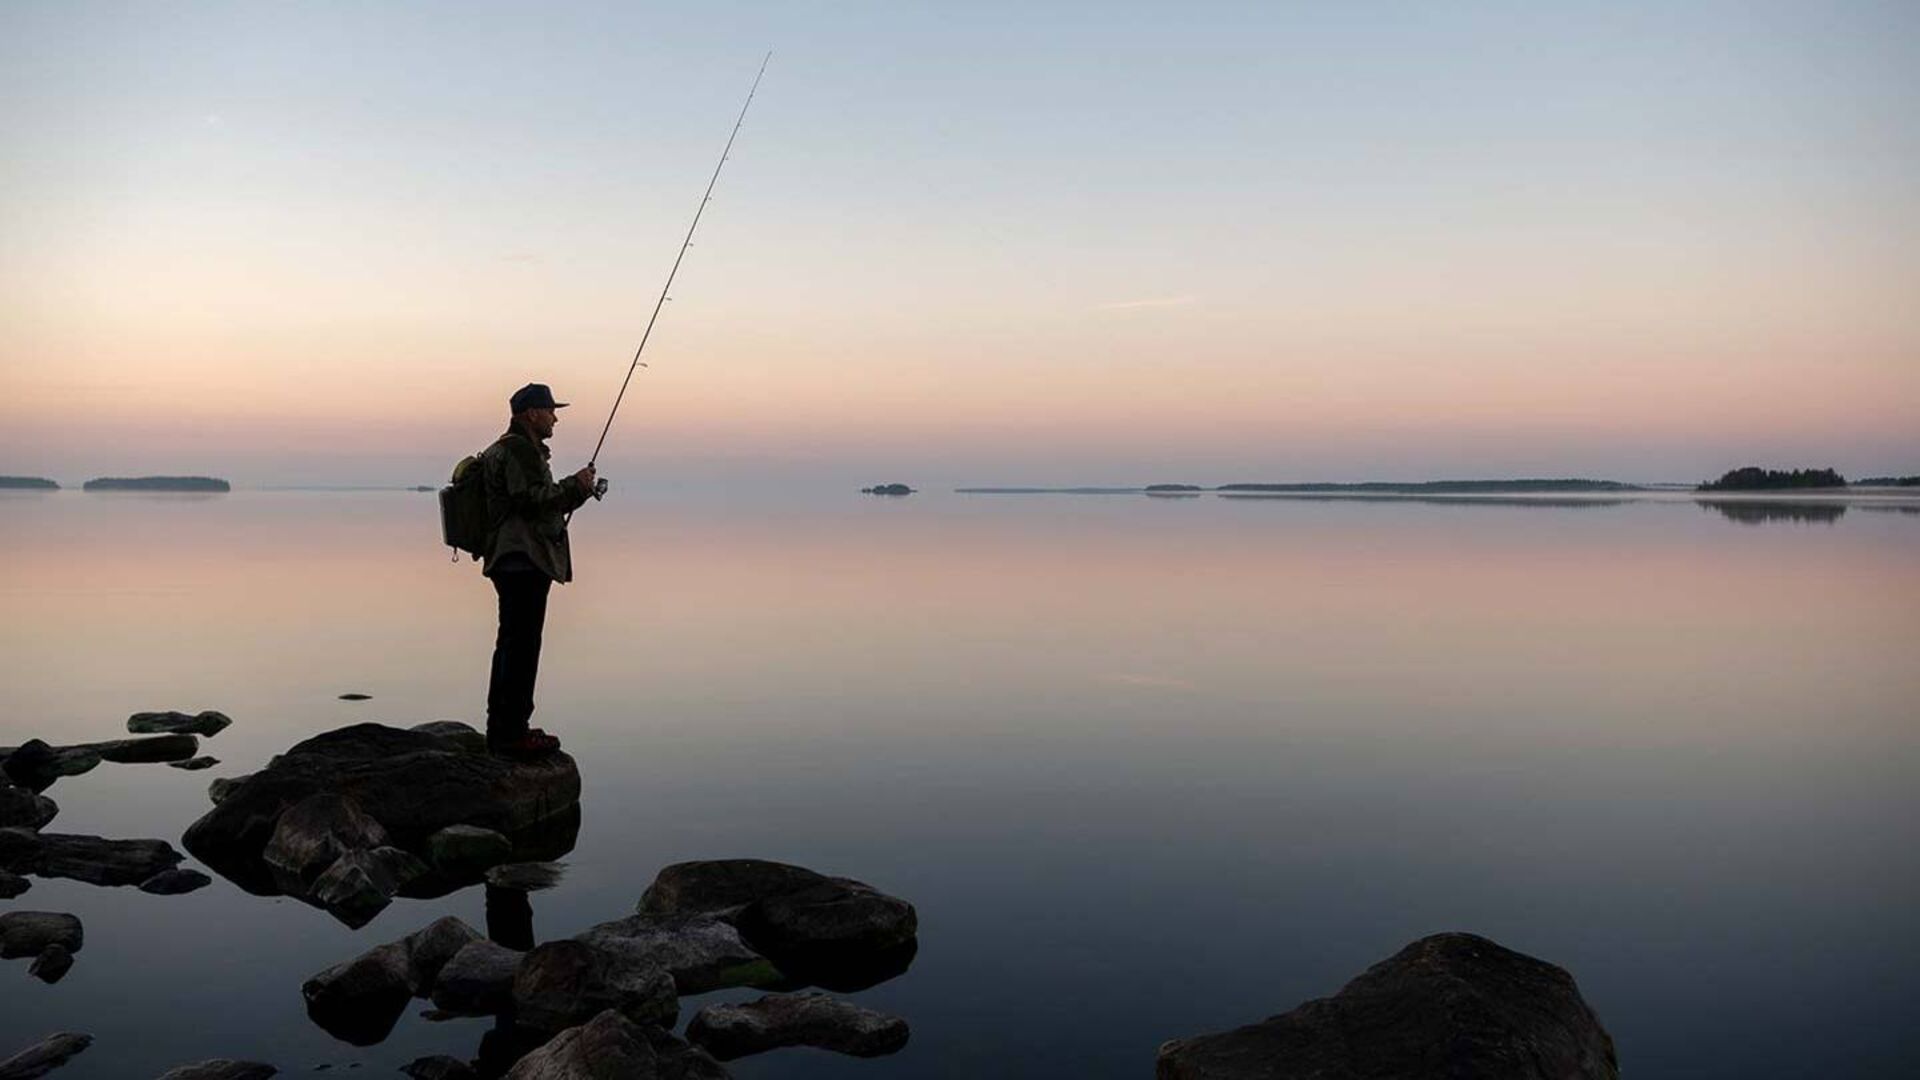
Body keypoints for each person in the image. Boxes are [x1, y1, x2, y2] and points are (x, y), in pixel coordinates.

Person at [480, 382, 596, 757]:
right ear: (531, 414)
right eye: (550, 411)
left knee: (514, 644)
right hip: (522, 559)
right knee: (521, 646)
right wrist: (576, 487)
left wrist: (572, 491)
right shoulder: (518, 450)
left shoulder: (509, 448)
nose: (555, 418)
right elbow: (533, 501)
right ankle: (511, 733)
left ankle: (506, 727)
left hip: (511, 558)